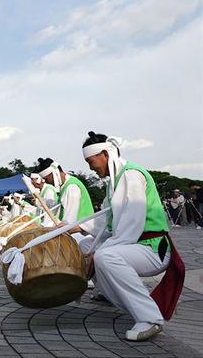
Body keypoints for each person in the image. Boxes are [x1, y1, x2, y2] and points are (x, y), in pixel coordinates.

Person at [68, 131, 184, 341]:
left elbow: (130, 226)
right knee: (86, 245)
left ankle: (149, 318)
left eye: (90, 161)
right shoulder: (114, 181)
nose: (90, 168)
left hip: (153, 247)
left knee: (105, 256)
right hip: (135, 243)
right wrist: (77, 227)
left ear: (104, 153)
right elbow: (107, 220)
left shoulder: (131, 175)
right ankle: (112, 294)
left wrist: (98, 253)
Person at [34, 157, 93, 241]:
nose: (46, 182)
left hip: (82, 235)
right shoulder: (65, 186)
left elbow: (69, 222)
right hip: (74, 232)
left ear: (53, 174)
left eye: (46, 179)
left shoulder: (71, 187)